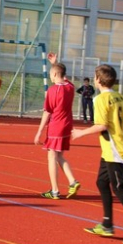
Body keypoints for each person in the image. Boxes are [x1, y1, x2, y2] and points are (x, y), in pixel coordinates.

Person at [72, 63, 123, 244]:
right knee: (101, 182)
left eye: (94, 76)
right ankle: (107, 224)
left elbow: (102, 126)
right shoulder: (118, 96)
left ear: (98, 80)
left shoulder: (99, 99)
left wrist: (80, 133)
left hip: (114, 149)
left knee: (118, 188)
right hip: (112, 149)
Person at [33, 53, 80, 199]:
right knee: (59, 155)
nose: (50, 78)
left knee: (51, 156)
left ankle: (54, 191)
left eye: (51, 74)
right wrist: (56, 63)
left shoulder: (52, 91)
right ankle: (73, 181)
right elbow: (63, 76)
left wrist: (39, 132)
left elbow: (47, 113)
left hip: (56, 126)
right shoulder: (70, 87)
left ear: (54, 74)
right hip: (67, 125)